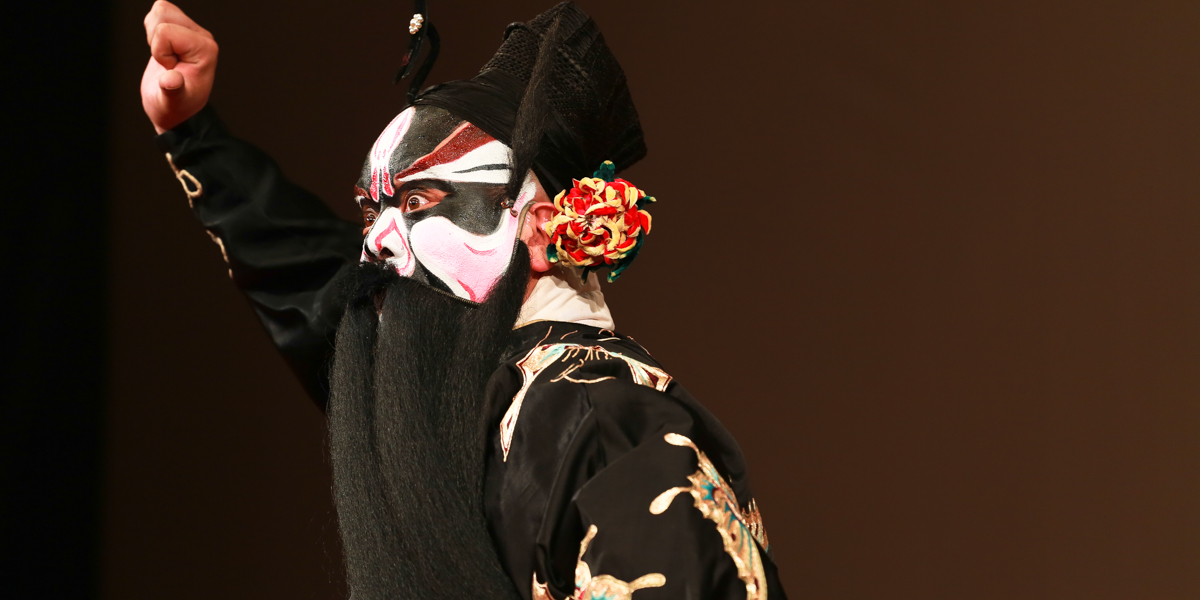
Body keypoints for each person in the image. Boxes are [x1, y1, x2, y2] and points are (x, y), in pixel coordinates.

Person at [141, 1, 788, 598]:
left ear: (538, 230)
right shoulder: (472, 404)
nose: (376, 241)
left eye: (417, 201)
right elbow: (315, 286)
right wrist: (191, 133)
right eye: (370, 211)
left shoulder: (597, 421)